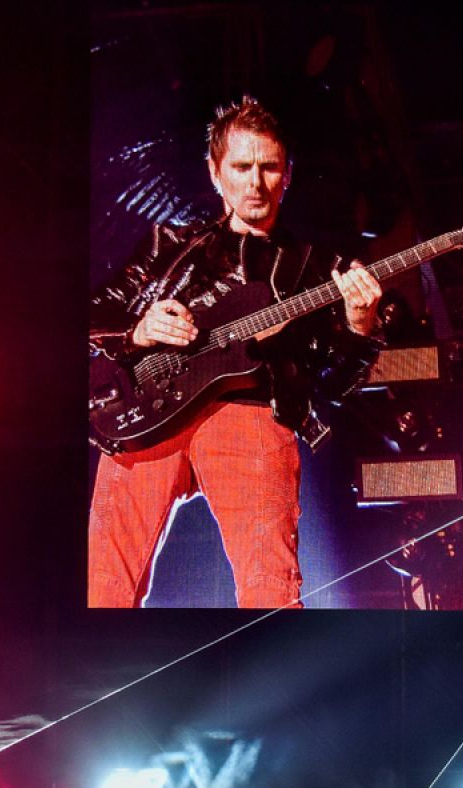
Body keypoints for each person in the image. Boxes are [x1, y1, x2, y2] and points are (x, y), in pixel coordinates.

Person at [88, 97, 384, 609]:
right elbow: (94, 315)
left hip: (251, 416)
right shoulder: (168, 245)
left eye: (269, 167)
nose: (256, 183)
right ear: (215, 172)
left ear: (288, 173)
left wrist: (360, 326)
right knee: (105, 588)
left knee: (270, 590)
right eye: (242, 167)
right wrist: (138, 329)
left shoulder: (318, 267)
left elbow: (335, 384)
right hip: (148, 413)